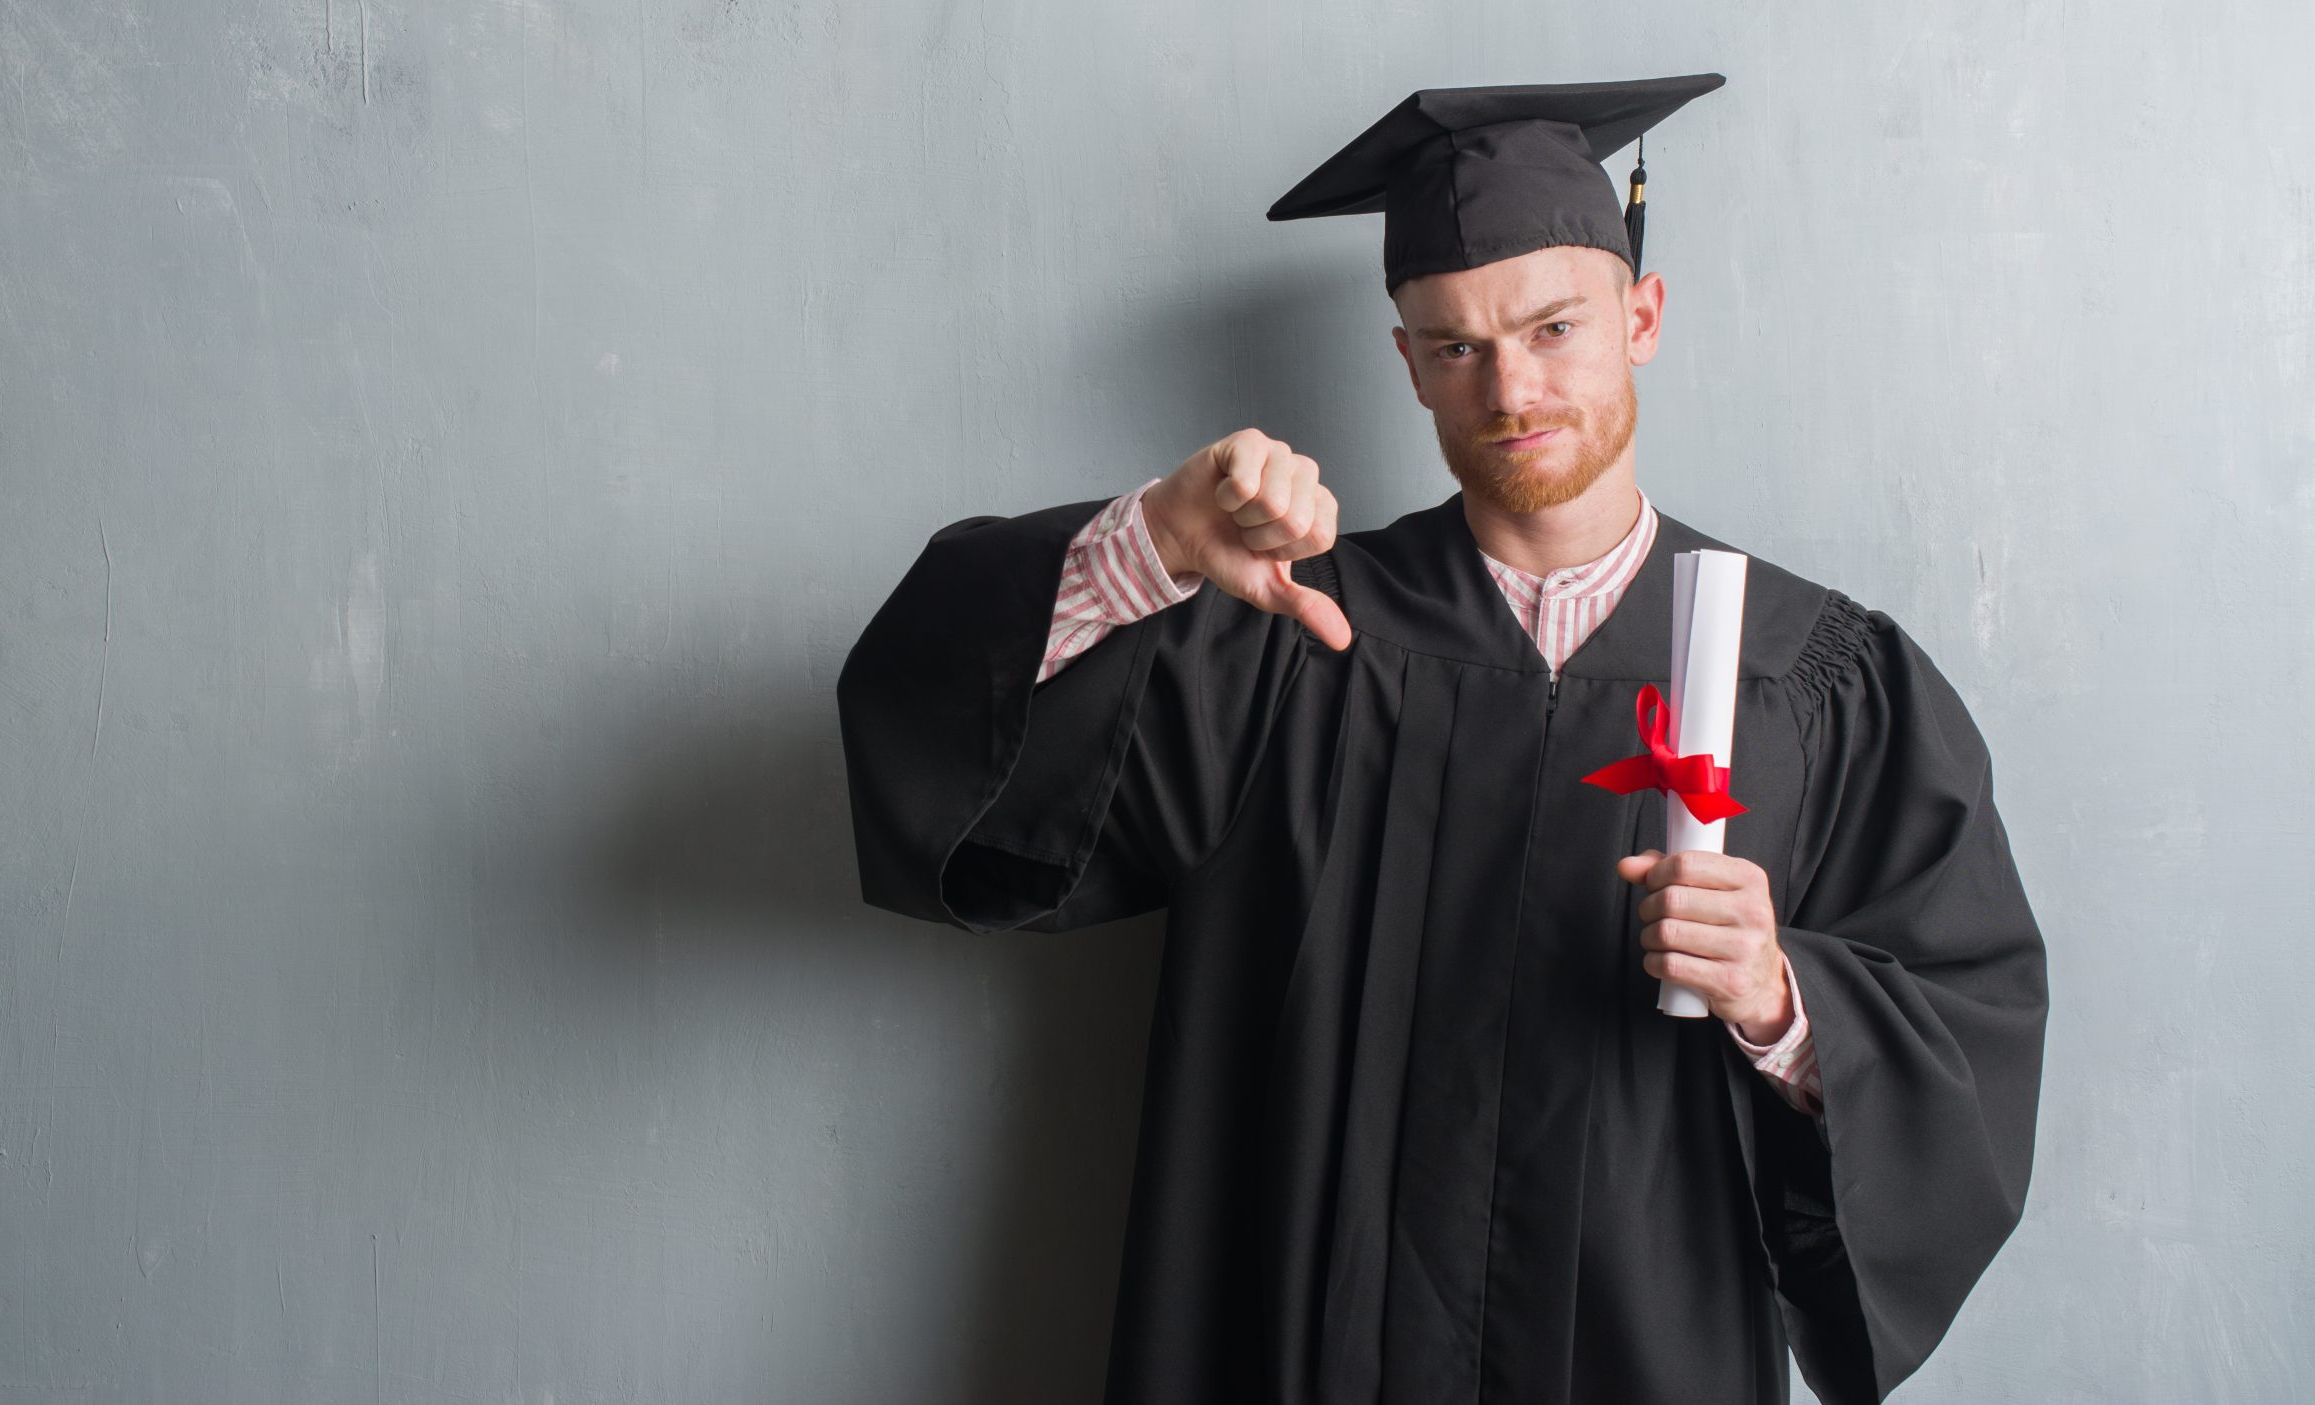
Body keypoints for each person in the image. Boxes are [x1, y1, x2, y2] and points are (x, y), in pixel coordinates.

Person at [835, 73, 2047, 1404]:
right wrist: (1150, 548)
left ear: (1642, 318)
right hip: (1299, 1353)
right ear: (1407, 360)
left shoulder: (1817, 681)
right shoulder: (1281, 637)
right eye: (1456, 343)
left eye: (1553, 326)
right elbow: (945, 746)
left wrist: (1782, 1003)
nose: (1510, 384)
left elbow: (1965, 1036)